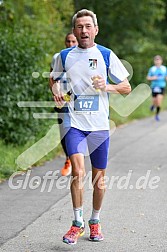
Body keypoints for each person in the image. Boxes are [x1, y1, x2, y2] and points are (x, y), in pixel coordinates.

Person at [50, 9, 131, 245]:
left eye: (88, 26)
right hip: (74, 123)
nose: (83, 30)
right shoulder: (64, 56)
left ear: (96, 29)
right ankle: (77, 223)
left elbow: (126, 87)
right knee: (78, 172)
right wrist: (56, 90)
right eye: (79, 26)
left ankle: (95, 220)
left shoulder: (106, 55)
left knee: (99, 179)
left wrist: (107, 87)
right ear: (74, 30)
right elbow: (54, 80)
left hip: (99, 127)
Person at [50, 33, 78, 176]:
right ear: (65, 42)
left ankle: (76, 158)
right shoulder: (58, 57)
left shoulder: (83, 56)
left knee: (78, 130)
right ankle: (68, 159)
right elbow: (52, 77)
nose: (71, 43)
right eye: (68, 41)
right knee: (64, 132)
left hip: (79, 100)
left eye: (73, 41)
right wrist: (56, 93)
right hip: (63, 99)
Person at [147, 55, 167, 121]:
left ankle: (157, 115)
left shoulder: (164, 69)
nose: (157, 61)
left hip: (161, 87)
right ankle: (153, 106)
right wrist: (153, 78)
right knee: (154, 101)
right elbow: (148, 78)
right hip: (154, 87)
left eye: (159, 60)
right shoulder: (152, 69)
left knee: (158, 101)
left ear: (161, 61)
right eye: (156, 60)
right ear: (154, 61)